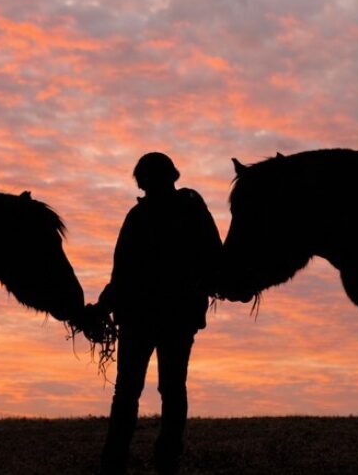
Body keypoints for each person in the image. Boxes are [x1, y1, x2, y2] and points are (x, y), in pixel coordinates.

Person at [95, 152, 222, 475]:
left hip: (146, 316)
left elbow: (121, 271)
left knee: (130, 390)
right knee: (169, 387)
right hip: (173, 316)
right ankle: (163, 459)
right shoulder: (190, 209)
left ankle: (117, 460)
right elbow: (213, 256)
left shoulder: (142, 216)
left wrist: (103, 307)